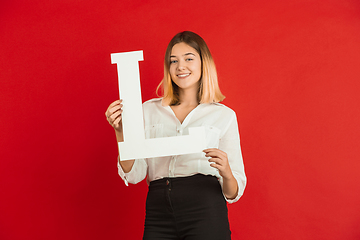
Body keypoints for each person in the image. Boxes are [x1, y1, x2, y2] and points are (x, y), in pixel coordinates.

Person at [105, 31, 246, 240]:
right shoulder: (148, 110)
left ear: (203, 63)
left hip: (205, 209)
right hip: (158, 210)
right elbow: (134, 175)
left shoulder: (223, 115)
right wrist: (121, 132)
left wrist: (226, 172)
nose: (180, 66)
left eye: (189, 58)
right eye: (173, 61)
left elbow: (233, 192)